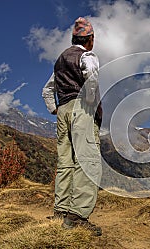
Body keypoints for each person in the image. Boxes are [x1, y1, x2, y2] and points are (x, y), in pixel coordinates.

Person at [42, 17, 102, 236]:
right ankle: (77, 216)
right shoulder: (87, 56)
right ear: (90, 39)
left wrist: (55, 109)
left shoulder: (60, 62)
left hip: (63, 111)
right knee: (88, 161)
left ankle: (61, 210)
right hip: (81, 110)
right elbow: (92, 80)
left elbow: (47, 91)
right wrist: (89, 102)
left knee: (66, 162)